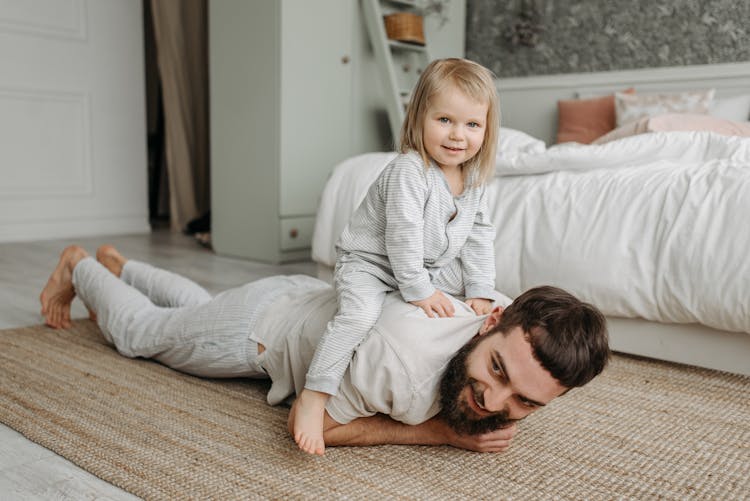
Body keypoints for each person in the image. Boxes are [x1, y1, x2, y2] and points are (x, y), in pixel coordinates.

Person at [40, 245, 610, 454]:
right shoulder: (401, 358)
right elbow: (314, 425)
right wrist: (438, 432)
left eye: (526, 403)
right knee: (143, 335)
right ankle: (82, 267)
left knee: (191, 312)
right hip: (260, 330)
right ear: (490, 323)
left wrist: (510, 392)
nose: (494, 402)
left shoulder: (513, 318)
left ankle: (127, 267)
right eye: (496, 371)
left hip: (307, 300)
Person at [294, 57, 501, 454]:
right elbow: (403, 235)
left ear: (486, 129)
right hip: (371, 265)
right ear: (419, 117)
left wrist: (479, 287)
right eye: (444, 120)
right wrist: (418, 291)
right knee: (358, 316)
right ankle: (314, 396)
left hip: (423, 265)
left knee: (471, 302)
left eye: (472, 125)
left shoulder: (473, 179)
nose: (458, 135)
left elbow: (478, 235)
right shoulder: (409, 170)